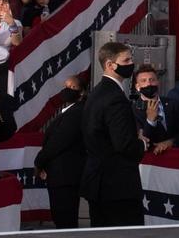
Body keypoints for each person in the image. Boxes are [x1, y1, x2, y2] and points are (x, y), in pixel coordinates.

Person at [81, 41, 145, 228]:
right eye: (126, 60)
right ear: (110, 65)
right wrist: (141, 143)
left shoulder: (95, 93)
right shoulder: (115, 98)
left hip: (98, 184)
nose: (131, 64)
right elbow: (124, 144)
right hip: (117, 187)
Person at [35, 75, 87, 229]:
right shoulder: (68, 112)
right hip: (60, 175)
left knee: (65, 221)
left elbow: (58, 142)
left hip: (66, 176)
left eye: (73, 87)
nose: (68, 90)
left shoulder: (77, 112)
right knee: (61, 219)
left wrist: (39, 162)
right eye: (66, 86)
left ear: (82, 92)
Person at [131, 64, 175, 153]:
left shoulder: (172, 103)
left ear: (157, 82)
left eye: (152, 80)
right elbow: (141, 142)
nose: (149, 84)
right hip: (149, 161)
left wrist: (171, 142)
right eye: (144, 81)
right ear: (137, 86)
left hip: (174, 160)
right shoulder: (132, 110)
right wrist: (150, 121)